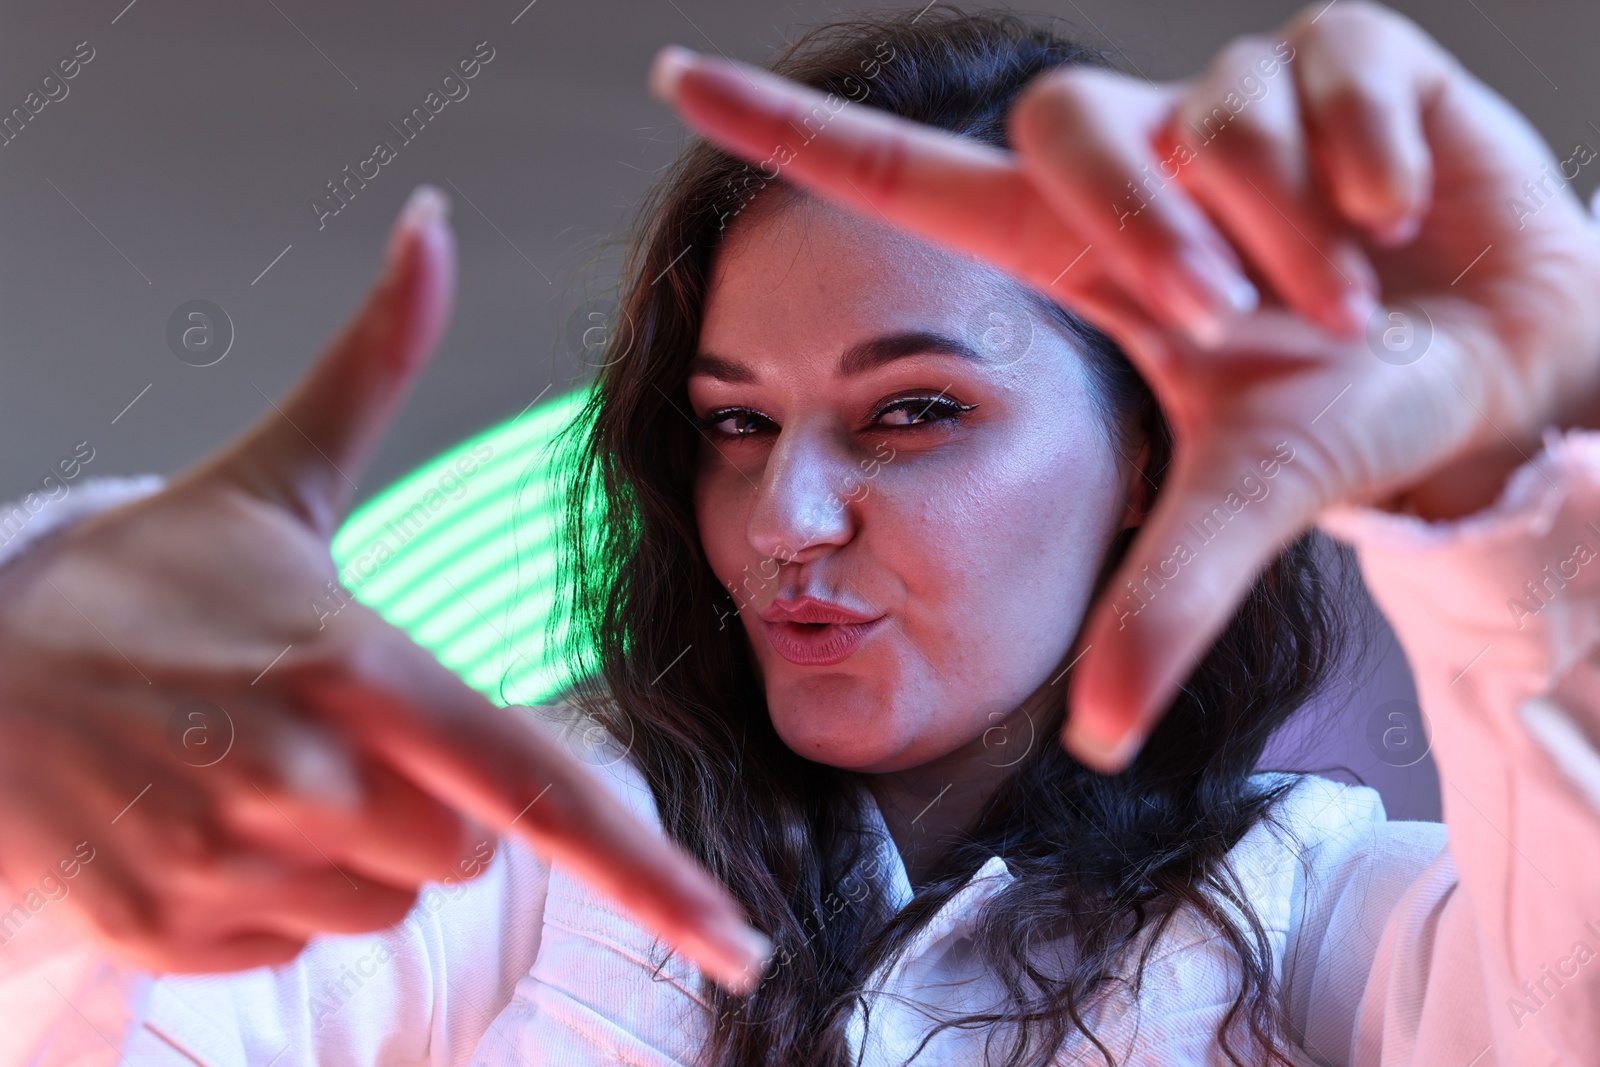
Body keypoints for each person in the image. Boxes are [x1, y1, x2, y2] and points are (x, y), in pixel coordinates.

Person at [2, 1, 1600, 1063]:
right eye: (735, 423)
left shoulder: (1325, 917)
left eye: (913, 413)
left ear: (1144, 452)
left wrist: (1524, 492)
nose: (785, 519)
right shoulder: (499, 860)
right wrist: (38, 791)